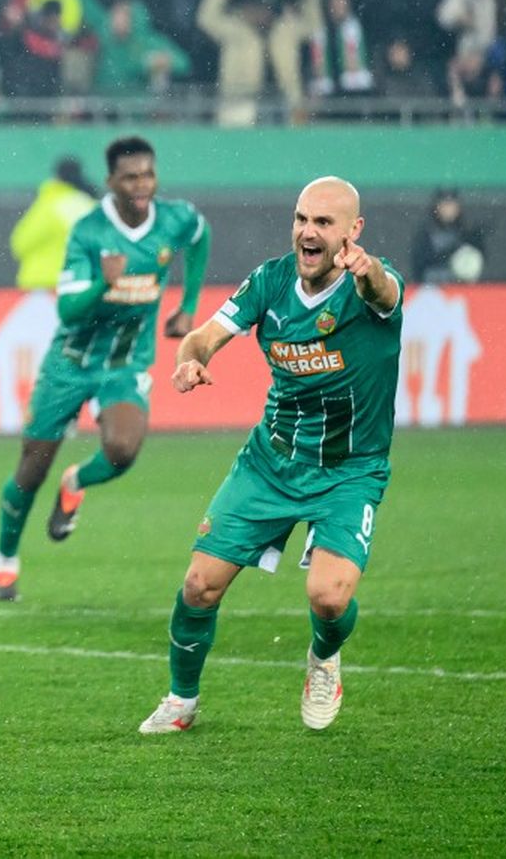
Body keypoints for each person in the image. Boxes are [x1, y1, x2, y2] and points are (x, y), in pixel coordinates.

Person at [139, 176, 403, 735]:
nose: (308, 232)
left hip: (350, 470)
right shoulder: (270, 281)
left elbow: (385, 293)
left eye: (323, 222)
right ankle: (181, 700)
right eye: (301, 218)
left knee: (328, 598)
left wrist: (370, 273)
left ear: (353, 231)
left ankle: (324, 659)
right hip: (271, 462)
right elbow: (202, 336)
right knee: (199, 585)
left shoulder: (371, 286)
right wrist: (190, 361)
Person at [0, 137, 210, 602]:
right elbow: (68, 310)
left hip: (126, 362)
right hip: (71, 362)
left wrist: (188, 305)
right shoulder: (89, 232)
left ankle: (76, 482)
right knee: (31, 468)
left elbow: (199, 236)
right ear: (110, 182)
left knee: (123, 449)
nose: (141, 185)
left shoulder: (174, 218)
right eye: (130, 177)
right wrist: (102, 284)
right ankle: (4, 560)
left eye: (148, 174)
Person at [10, 155, 97, 294]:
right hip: (84, 282)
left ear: (57, 176)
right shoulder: (91, 205)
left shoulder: (50, 204)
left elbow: (20, 243)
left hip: (45, 283)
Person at [411, 188, 485, 284]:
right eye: (445, 205)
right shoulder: (427, 234)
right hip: (433, 287)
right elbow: (420, 265)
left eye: (452, 205)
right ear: (437, 207)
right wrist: (449, 252)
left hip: (461, 288)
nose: (449, 209)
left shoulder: (465, 233)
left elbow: (479, 261)